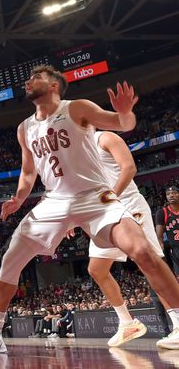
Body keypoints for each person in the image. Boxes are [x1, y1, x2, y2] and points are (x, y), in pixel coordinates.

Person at [0, 66, 179, 354]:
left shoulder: (76, 108)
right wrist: (18, 198)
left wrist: (125, 112)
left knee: (142, 250)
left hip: (94, 196)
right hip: (55, 201)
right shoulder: (24, 128)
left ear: (54, 86)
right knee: (10, 261)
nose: (28, 82)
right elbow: (28, 173)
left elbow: (121, 124)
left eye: (35, 78)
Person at [78, 130, 166, 347]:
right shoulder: (78, 154)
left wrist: (110, 198)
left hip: (129, 205)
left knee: (151, 263)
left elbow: (129, 168)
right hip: (105, 214)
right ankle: (127, 322)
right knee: (96, 269)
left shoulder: (105, 138)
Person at [156, 186, 179, 273]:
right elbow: (159, 238)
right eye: (168, 194)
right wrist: (162, 255)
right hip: (175, 250)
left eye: (174, 193)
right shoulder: (162, 213)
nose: (171, 195)